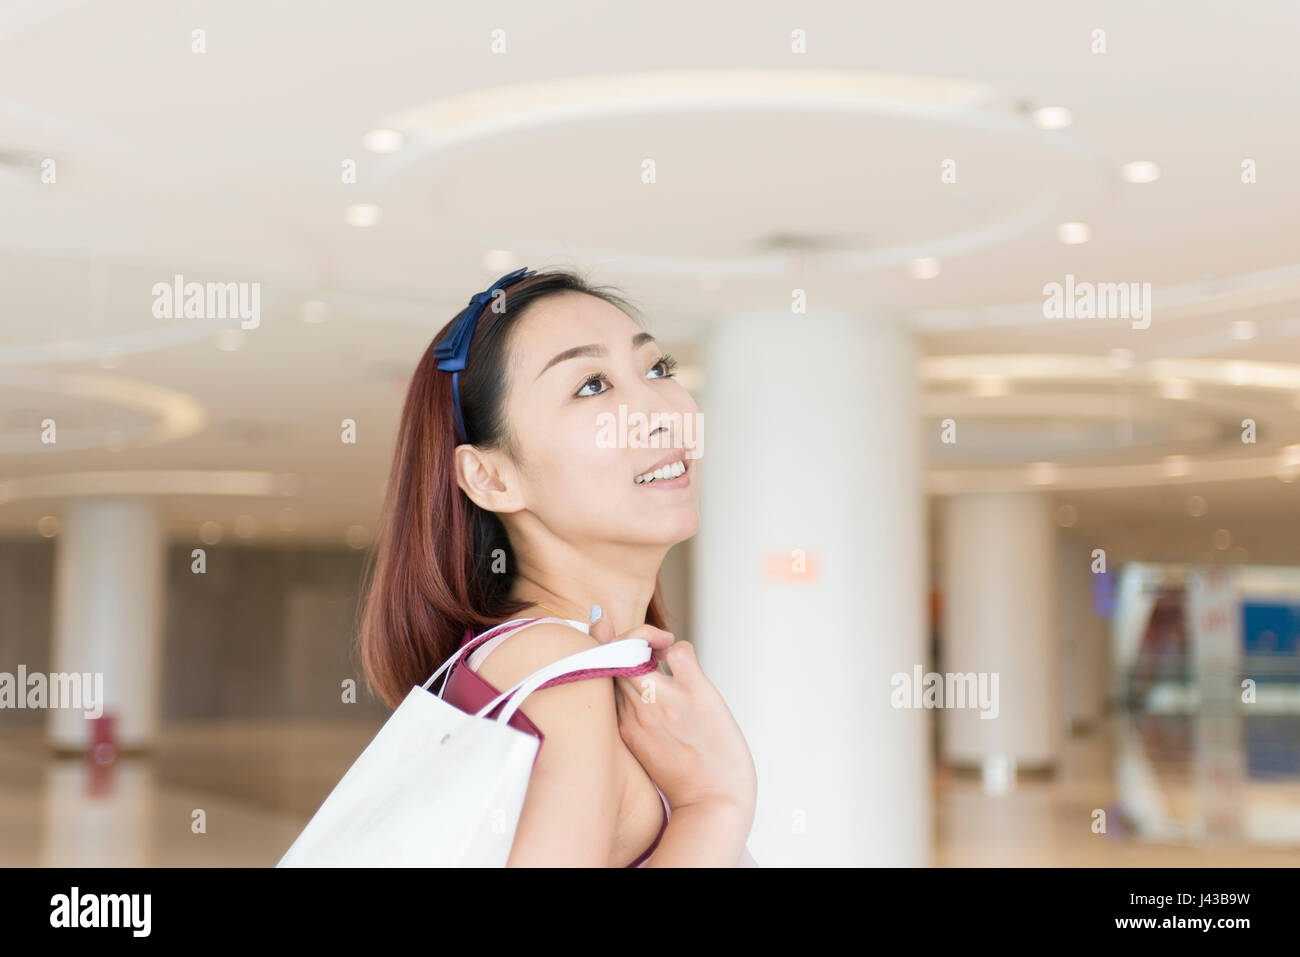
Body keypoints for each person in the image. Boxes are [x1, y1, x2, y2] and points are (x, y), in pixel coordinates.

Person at [359, 267, 758, 866]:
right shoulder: (557, 672)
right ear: (491, 477)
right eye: (592, 386)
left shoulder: (561, 663)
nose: (658, 411)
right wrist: (713, 802)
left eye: (657, 369)